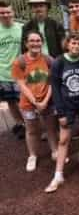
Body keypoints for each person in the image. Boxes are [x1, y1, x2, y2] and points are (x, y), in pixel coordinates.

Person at [45, 32, 79, 193]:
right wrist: (60, 112)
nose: (76, 46)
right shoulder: (59, 62)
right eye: (73, 43)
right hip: (67, 105)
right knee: (64, 139)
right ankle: (58, 174)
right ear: (67, 44)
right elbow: (55, 88)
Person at [11, 31, 58, 172]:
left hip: (48, 101)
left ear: (42, 43)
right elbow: (22, 85)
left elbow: (52, 82)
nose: (35, 43)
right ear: (26, 43)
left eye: (38, 40)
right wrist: (36, 102)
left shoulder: (48, 60)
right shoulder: (20, 62)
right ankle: (32, 155)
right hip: (28, 103)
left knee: (50, 127)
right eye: (32, 41)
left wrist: (45, 101)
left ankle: (55, 150)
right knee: (32, 130)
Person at [0, 0, 25, 139]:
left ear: (13, 12)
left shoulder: (22, 28)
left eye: (8, 12)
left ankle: (31, 125)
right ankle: (20, 123)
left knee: (25, 101)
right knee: (10, 101)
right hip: (3, 73)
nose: (5, 15)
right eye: (2, 13)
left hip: (21, 73)